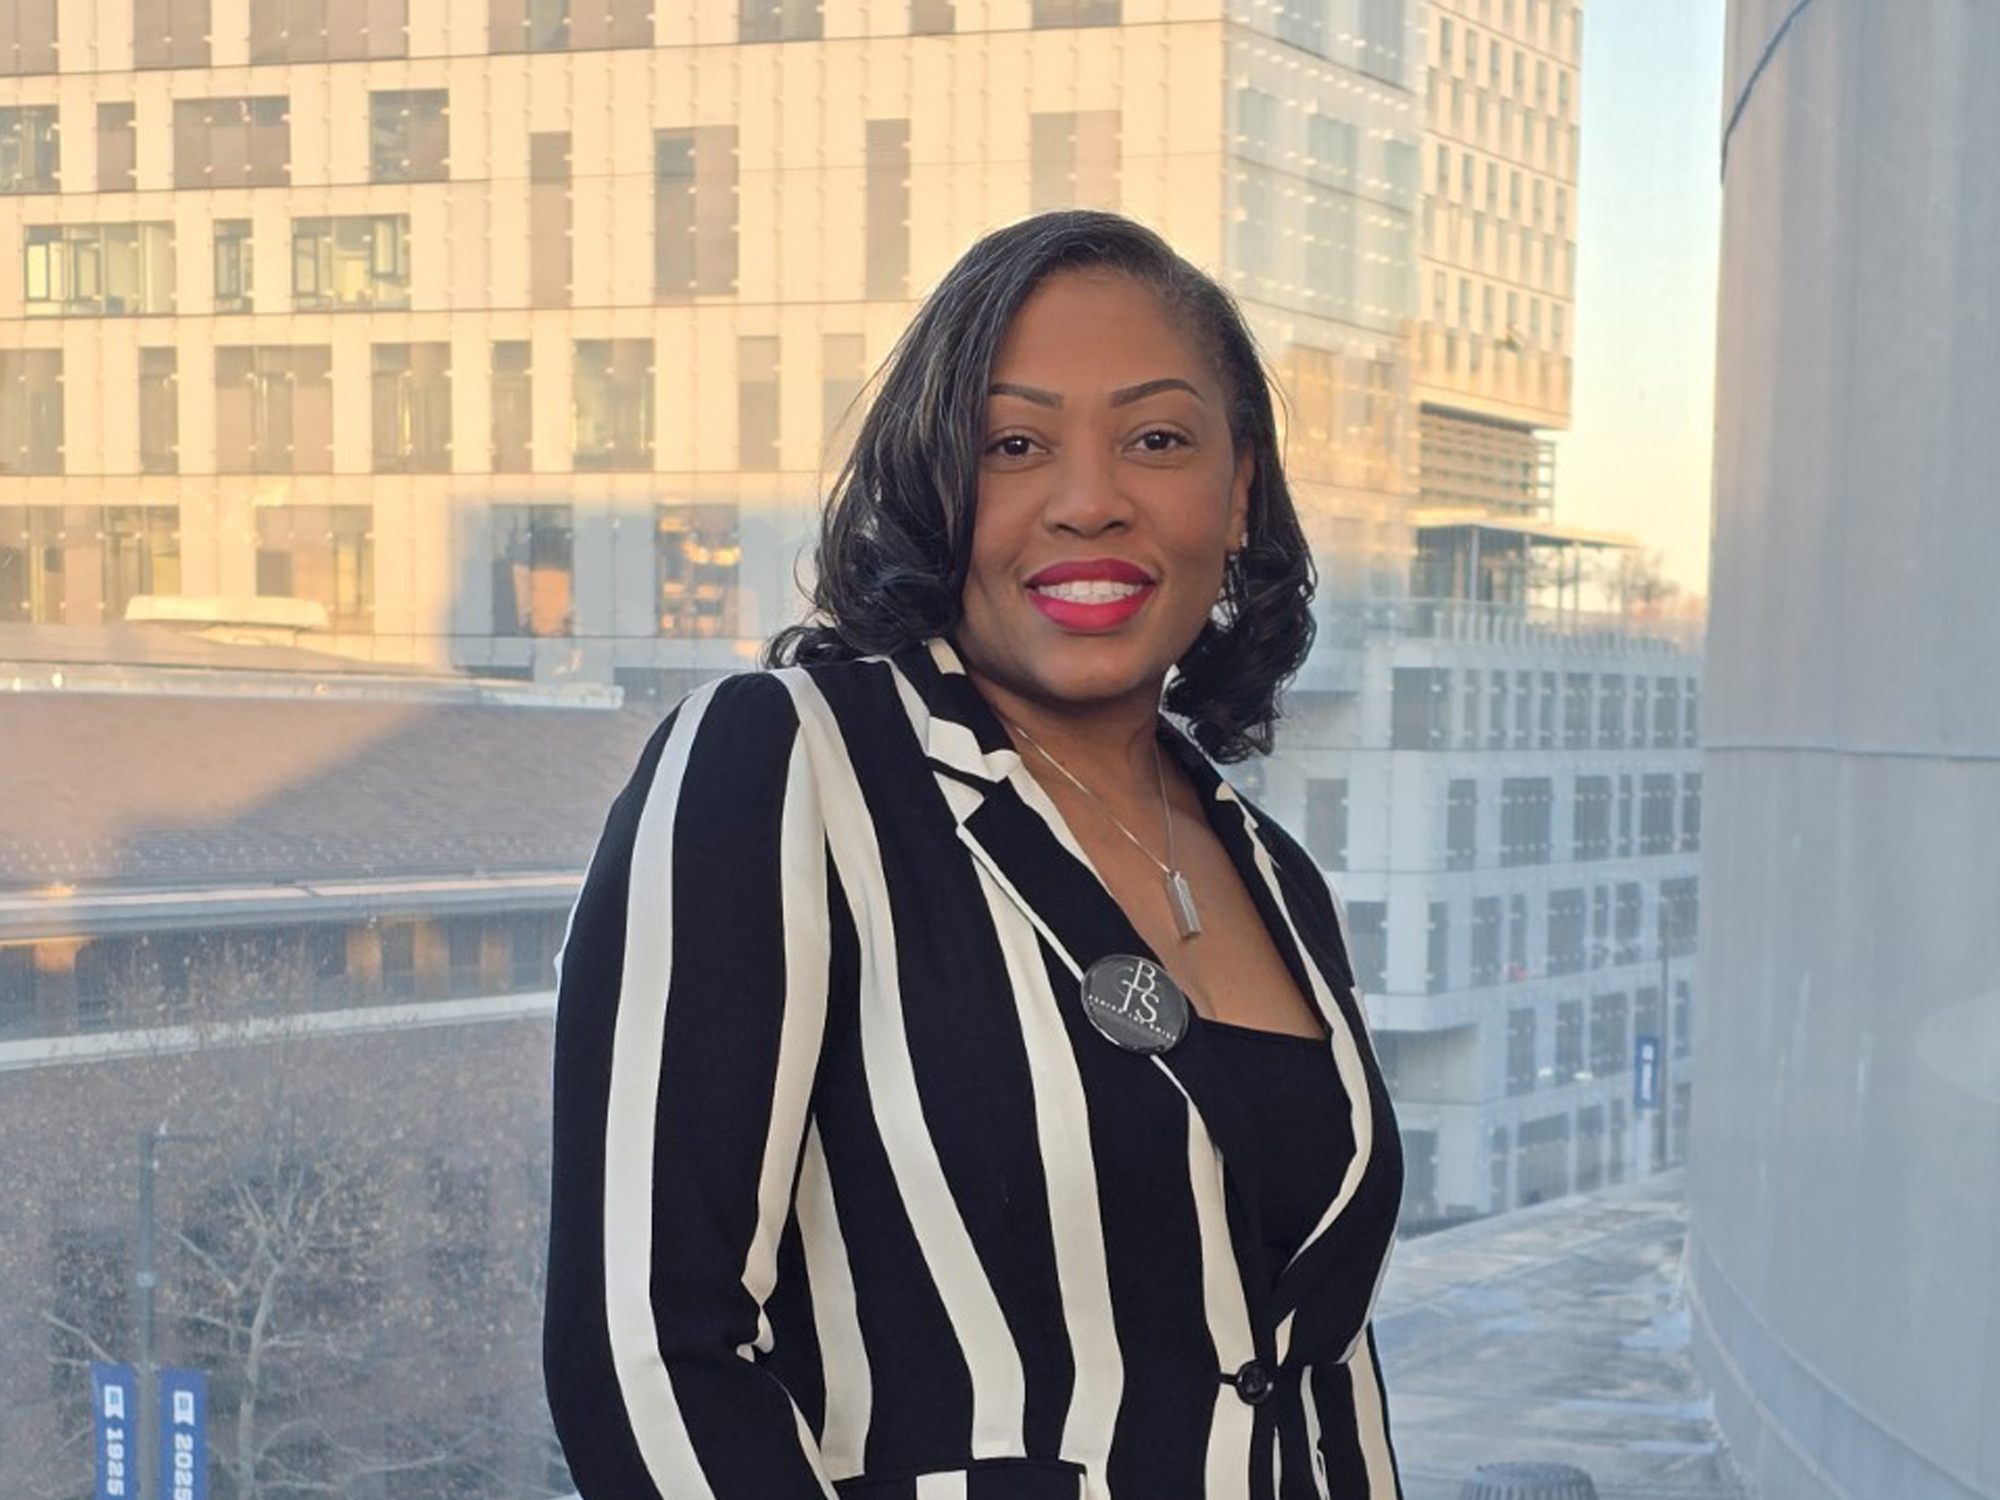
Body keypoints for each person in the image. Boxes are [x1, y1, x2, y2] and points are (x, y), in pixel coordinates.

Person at [544, 210, 1404, 1500]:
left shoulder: (1277, 876)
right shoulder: (784, 763)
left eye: (1158, 439)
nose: (1090, 499)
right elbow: (649, 1351)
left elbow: (1320, 1370)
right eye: (1015, 444)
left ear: (1236, 493)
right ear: (938, 489)